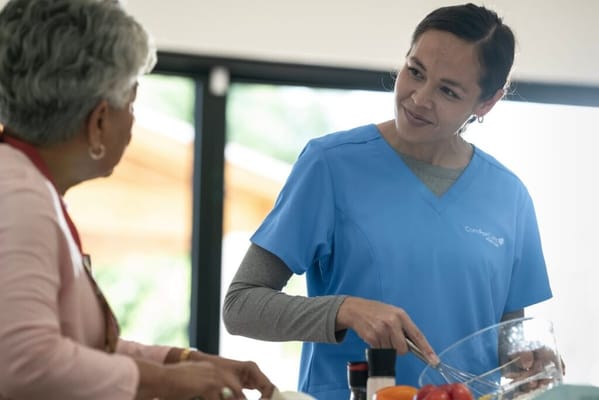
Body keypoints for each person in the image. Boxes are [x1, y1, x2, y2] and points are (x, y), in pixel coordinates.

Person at [223, 3, 553, 400]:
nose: (418, 98)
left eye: (448, 90)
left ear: (486, 103)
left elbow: (508, 341)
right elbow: (240, 305)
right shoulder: (330, 165)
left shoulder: (509, 196)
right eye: (415, 72)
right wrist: (345, 309)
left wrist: (530, 361)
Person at [0, 1, 275, 399]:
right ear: (97, 123)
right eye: (130, 103)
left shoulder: (26, 185)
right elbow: (27, 362)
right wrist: (167, 382)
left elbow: (80, 351)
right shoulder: (21, 197)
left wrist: (181, 362)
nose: (133, 119)